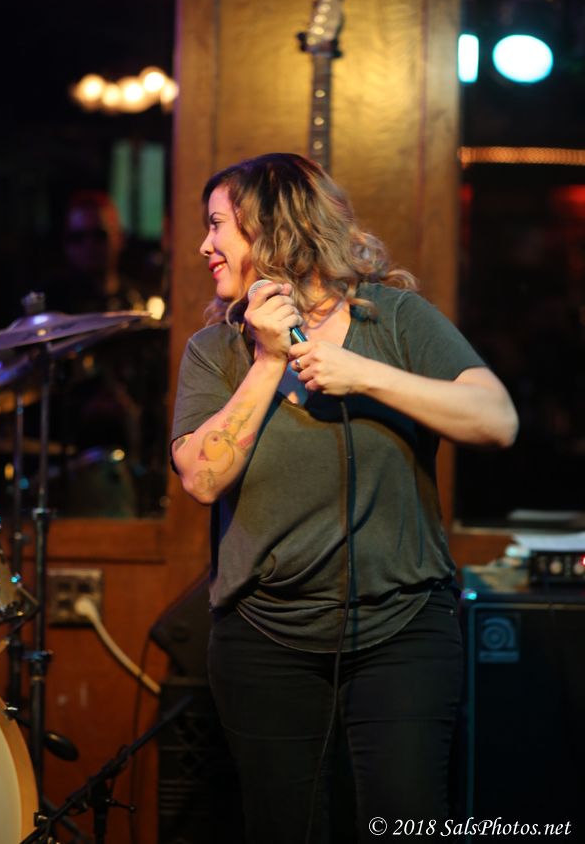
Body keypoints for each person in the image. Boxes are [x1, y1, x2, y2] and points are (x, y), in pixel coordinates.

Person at [171, 153, 518, 843]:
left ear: (273, 226)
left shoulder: (394, 320)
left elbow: (497, 420)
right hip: (265, 638)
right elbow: (201, 479)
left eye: (217, 225)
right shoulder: (217, 351)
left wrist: (363, 374)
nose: (204, 245)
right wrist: (269, 359)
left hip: (402, 629)